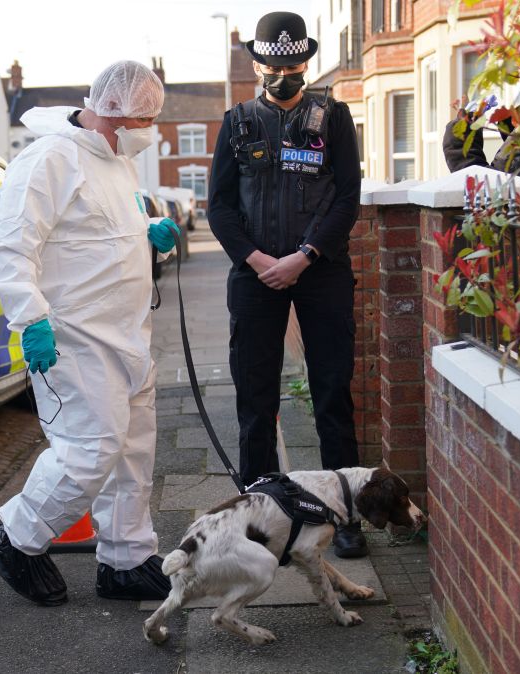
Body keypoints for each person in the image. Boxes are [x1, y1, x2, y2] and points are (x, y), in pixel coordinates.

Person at [0, 60, 180, 606]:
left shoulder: (116, 161)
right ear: (114, 113)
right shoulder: (48, 159)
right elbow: (11, 245)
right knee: (90, 448)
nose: (150, 130)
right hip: (71, 336)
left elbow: (102, 228)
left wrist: (148, 234)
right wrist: (30, 319)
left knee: (133, 451)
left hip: (126, 334)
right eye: (146, 118)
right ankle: (16, 540)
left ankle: (126, 559)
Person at [207, 12, 367, 558]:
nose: (284, 72)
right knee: (255, 399)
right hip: (254, 278)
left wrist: (303, 256)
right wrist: (256, 260)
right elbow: (220, 206)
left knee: (331, 393)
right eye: (274, 64)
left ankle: (344, 515)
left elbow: (347, 195)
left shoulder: (334, 117)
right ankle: (257, 516)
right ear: (258, 63)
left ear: (307, 61)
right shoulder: (238, 122)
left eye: (293, 63)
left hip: (320, 272)